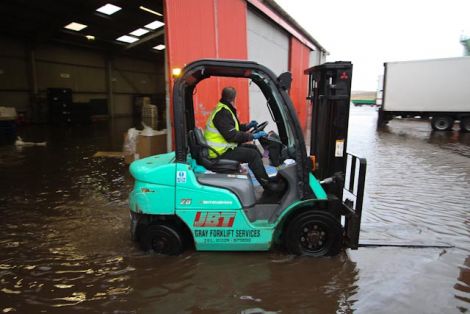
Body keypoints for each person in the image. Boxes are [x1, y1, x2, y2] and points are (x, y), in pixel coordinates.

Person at [204, 86, 284, 192]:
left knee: (254, 149)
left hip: (224, 149)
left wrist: (248, 126)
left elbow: (232, 128)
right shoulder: (222, 113)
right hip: (218, 153)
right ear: (234, 98)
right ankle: (267, 185)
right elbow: (232, 136)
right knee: (253, 155)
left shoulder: (225, 109)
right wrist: (252, 136)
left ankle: (263, 176)